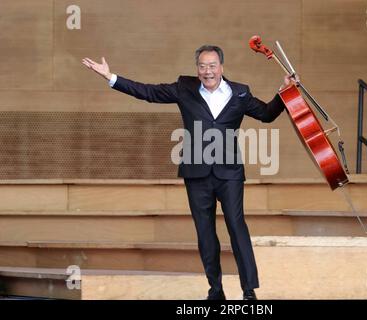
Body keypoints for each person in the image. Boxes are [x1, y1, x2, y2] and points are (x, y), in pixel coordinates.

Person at [82, 45, 291, 300]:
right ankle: (216, 290)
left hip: (229, 174)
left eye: (212, 65)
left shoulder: (240, 93)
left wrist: (285, 93)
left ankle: (249, 291)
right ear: (197, 69)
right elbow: (149, 92)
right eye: (202, 66)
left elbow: (267, 115)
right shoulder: (185, 88)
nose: (207, 71)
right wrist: (111, 77)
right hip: (196, 173)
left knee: (237, 227)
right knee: (205, 233)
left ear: (221, 67)